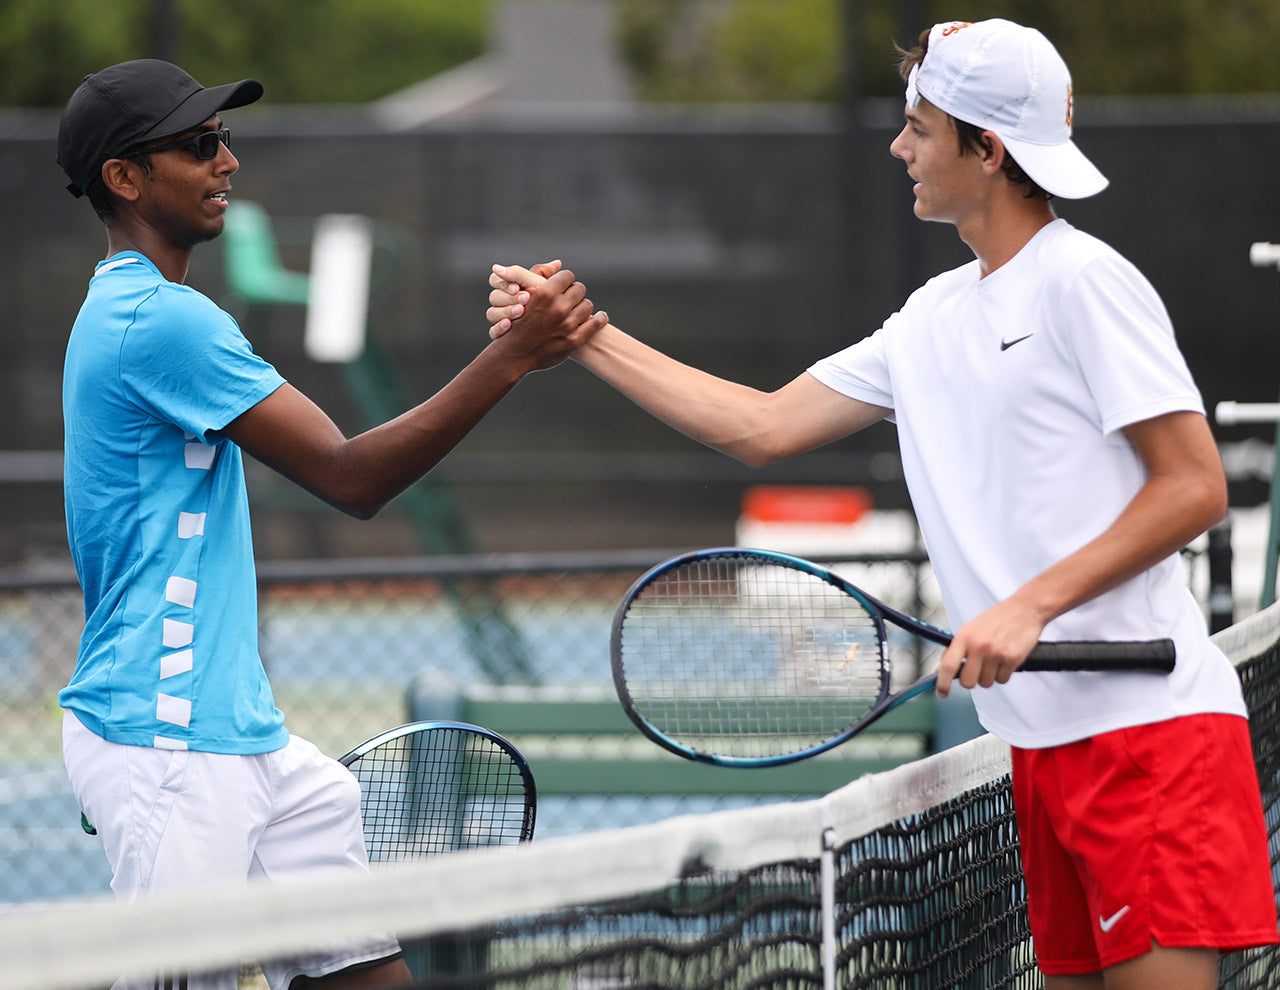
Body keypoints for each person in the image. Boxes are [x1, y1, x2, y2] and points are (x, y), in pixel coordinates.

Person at [487, 18, 1279, 989]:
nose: (899, 147)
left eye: (919, 126)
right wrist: (578, 336)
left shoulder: (1084, 283)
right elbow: (760, 426)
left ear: (984, 149)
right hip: (1038, 748)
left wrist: (1028, 605)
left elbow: (1192, 484)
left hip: (1147, 744)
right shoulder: (930, 318)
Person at [55, 59, 606, 990]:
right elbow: (352, 478)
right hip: (165, 740)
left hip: (243, 740)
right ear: (124, 178)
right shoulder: (157, 321)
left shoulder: (149, 313)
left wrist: (514, 353)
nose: (226, 160)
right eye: (198, 145)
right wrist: (513, 356)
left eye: (222, 138)